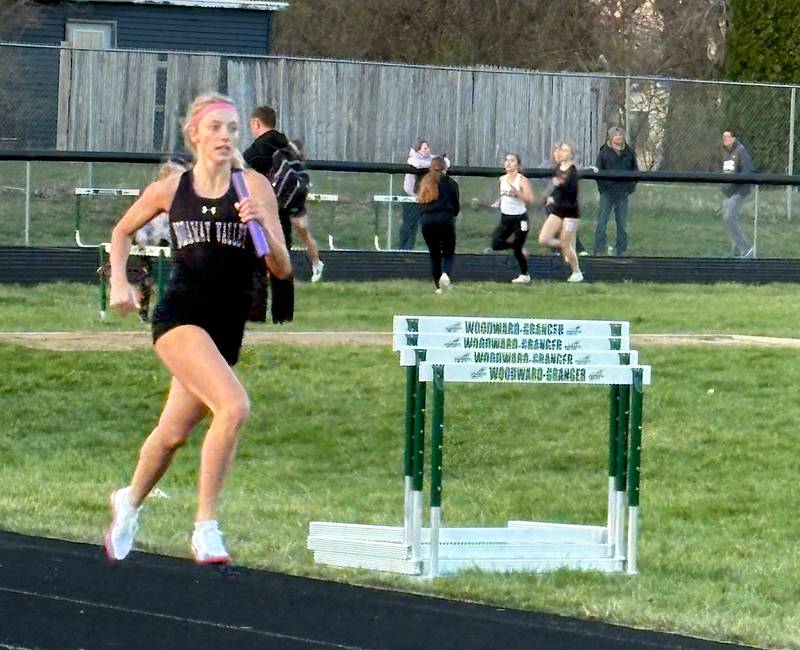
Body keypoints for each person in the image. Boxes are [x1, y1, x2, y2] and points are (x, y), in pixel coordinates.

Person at [104, 92, 292, 565]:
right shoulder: (172, 189)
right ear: (195, 135)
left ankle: (128, 501)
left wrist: (264, 230)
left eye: (232, 128)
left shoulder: (253, 188)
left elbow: (283, 268)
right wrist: (120, 283)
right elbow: (122, 231)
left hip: (226, 328)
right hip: (180, 319)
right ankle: (206, 528)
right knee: (233, 406)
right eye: (215, 128)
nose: (225, 136)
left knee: (171, 435)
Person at [243, 105, 324, 281]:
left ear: (256, 123)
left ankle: (276, 270)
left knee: (274, 235)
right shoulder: (285, 142)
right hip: (294, 197)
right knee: (302, 234)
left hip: (278, 199)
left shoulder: (258, 149)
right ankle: (316, 265)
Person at [131, 161, 185, 322]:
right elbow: (140, 225)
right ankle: (144, 310)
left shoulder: (185, 201)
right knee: (146, 278)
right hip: (150, 243)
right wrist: (142, 242)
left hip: (175, 243)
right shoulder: (154, 198)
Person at [538, 141, 584, 282]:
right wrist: (552, 197)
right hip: (558, 209)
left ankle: (577, 272)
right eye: (560, 149)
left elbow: (571, 190)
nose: (561, 152)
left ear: (570, 154)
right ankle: (566, 248)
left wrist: (560, 185)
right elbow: (557, 189)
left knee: (566, 243)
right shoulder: (558, 167)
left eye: (564, 150)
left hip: (570, 211)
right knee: (544, 239)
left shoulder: (573, 170)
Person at [416, 156, 460, 293]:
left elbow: (420, 203)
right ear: (445, 169)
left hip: (427, 221)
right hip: (445, 219)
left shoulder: (425, 182)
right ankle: (446, 274)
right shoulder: (451, 184)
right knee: (448, 251)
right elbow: (456, 205)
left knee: (434, 254)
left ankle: (438, 287)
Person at [489, 153, 535, 283]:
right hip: (506, 218)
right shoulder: (502, 179)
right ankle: (518, 248)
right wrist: (497, 202)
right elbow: (504, 195)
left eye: (512, 160)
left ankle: (525, 275)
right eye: (506, 160)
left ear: (518, 164)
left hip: (520, 219)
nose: (508, 163)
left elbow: (530, 199)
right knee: (496, 244)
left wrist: (517, 193)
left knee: (518, 248)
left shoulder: (522, 180)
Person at [593, 127, 638, 256]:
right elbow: (598, 171)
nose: (619, 137)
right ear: (611, 137)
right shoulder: (604, 152)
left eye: (621, 135)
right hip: (607, 192)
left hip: (623, 192)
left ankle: (621, 249)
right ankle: (599, 250)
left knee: (622, 224)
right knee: (602, 222)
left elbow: (635, 171)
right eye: (616, 135)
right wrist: (603, 188)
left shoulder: (629, 152)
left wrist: (629, 188)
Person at [400, 140, 449, 250]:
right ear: (418, 150)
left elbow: (446, 162)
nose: (427, 150)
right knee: (409, 224)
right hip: (410, 195)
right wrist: (435, 164)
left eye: (428, 148)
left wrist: (439, 161)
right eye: (424, 148)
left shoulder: (431, 159)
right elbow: (418, 165)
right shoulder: (413, 159)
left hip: (425, 197)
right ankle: (405, 248)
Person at [720, 130, 754, 258]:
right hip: (728, 192)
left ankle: (747, 249)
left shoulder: (740, 151)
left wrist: (737, 184)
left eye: (728, 136)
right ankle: (736, 250)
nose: (725, 139)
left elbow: (747, 170)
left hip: (739, 191)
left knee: (729, 218)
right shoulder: (725, 153)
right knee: (730, 220)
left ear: (734, 138)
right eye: (724, 137)